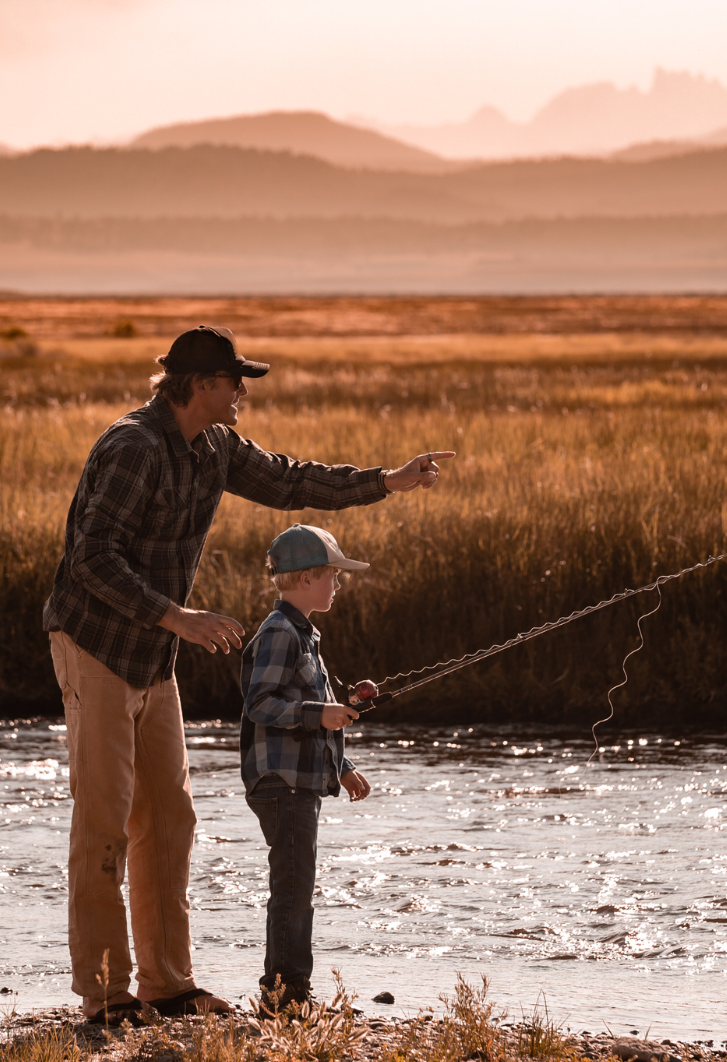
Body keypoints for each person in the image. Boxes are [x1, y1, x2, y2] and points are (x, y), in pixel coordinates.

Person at [41, 324, 453, 1024]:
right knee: (105, 822)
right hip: (97, 644)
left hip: (154, 653)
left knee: (169, 819)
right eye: (237, 382)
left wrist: (387, 481)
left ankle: (167, 987)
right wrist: (179, 617)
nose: (243, 394)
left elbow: (292, 481)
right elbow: (91, 561)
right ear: (200, 385)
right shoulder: (132, 448)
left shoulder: (217, 448)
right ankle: (104, 997)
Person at [239, 524, 375, 1011]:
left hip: (300, 780)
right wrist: (322, 714)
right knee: (294, 887)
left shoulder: (305, 634)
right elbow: (260, 703)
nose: (338, 585)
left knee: (298, 884)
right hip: (280, 782)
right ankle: (284, 993)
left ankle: (288, 987)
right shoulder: (279, 633)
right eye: (332, 576)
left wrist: (342, 767)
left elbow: (317, 707)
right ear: (304, 579)